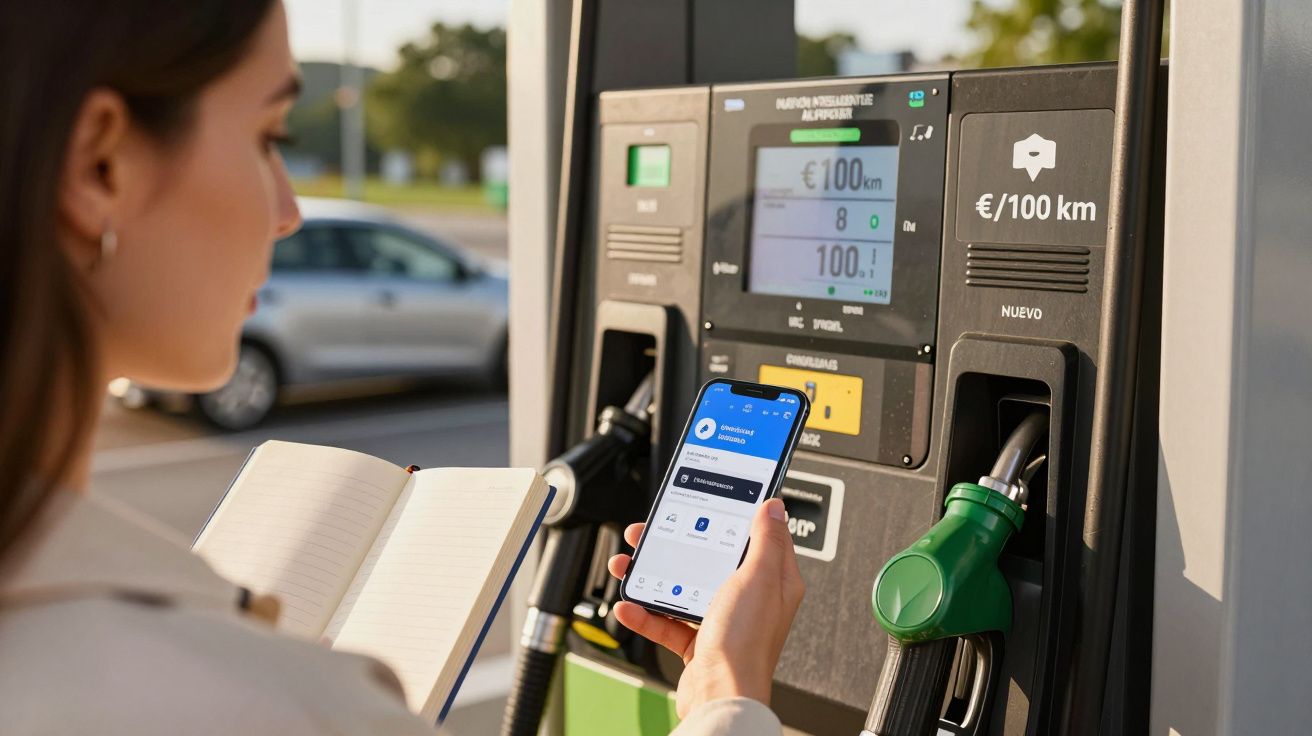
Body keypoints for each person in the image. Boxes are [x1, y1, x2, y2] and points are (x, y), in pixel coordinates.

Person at [0, 1, 803, 734]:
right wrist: (728, 693)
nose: (287, 213)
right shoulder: (263, 702)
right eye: (268, 137)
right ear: (100, 163)